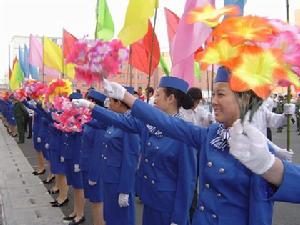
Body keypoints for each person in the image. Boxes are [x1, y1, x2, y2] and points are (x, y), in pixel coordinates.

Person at [99, 67, 300, 225]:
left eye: (221, 94)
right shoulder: (211, 133)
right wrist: (128, 98)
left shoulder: (258, 151)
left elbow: (260, 213)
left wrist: (271, 166)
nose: (213, 101)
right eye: (213, 95)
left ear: (244, 98)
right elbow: (169, 124)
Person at [73, 78, 197, 225]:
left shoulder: (184, 134)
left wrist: (179, 219)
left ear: (171, 98)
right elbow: (119, 120)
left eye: (158, 95)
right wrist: (92, 107)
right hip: (150, 199)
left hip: (167, 206)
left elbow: (187, 181)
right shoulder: (149, 125)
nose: (154, 99)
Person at [80, 90, 106, 225]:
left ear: (94, 103)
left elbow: (98, 151)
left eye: (88, 100)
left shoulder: (100, 124)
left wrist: (94, 175)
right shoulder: (92, 120)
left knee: (97, 202)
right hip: (87, 165)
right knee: (93, 201)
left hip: (95, 169)